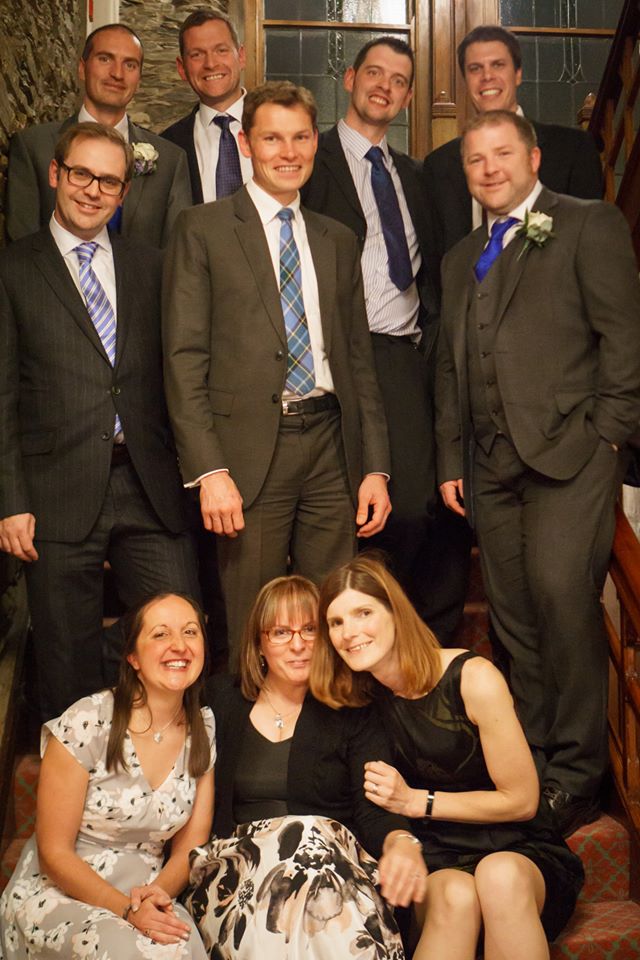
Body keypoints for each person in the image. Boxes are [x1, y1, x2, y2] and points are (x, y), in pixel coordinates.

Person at [434, 110, 640, 835]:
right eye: (475, 159)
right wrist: (450, 458)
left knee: (561, 598)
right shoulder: (461, 258)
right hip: (489, 464)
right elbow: (451, 367)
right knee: (514, 617)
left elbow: (624, 339)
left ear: (533, 158)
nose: (489, 168)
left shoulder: (587, 225)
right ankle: (531, 758)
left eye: (502, 154)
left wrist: (608, 435)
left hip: (570, 458)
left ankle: (578, 773)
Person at [162, 81, 391, 661]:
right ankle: (253, 720)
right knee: (253, 618)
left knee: (334, 615)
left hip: (331, 446)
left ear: (315, 142)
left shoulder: (338, 239)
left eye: (300, 137)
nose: (288, 153)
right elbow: (183, 359)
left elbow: (358, 362)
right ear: (246, 144)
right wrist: (209, 469)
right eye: (272, 139)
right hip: (247, 453)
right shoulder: (203, 229)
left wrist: (375, 466)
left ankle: (325, 718)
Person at [0, 122, 200, 720]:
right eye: (81, 174)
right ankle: (78, 772)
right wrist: (11, 500)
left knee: (178, 633)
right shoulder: (13, 270)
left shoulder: (152, 266)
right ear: (55, 174)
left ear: (124, 193)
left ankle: (163, 758)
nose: (93, 190)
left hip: (149, 484)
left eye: (109, 181)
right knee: (66, 659)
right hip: (55, 492)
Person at [312, 555, 584, 960]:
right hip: (434, 856)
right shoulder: (359, 700)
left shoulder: (472, 677)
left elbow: (523, 801)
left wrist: (417, 801)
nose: (349, 632)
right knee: (456, 894)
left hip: (517, 846)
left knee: (499, 877)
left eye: (363, 613)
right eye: (336, 622)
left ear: (395, 613)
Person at [184, 574, 425, 959]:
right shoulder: (221, 699)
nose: (298, 645)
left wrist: (401, 842)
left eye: (310, 630)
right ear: (259, 643)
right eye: (281, 632)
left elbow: (373, 808)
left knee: (311, 850)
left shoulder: (353, 709)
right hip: (238, 881)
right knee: (302, 839)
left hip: (333, 880)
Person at [302, 38, 453, 639]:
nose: (384, 87)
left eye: (398, 80)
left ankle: (393, 631)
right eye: (374, 73)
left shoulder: (415, 176)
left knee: (413, 506)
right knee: (337, 509)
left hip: (398, 354)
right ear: (350, 79)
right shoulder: (311, 158)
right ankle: (346, 633)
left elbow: (431, 266)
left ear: (409, 96)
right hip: (331, 353)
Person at [0, 592, 215, 959]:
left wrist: (154, 899)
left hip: (148, 892)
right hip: (64, 893)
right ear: (133, 657)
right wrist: (127, 910)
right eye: (161, 634)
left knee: (180, 948)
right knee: (121, 950)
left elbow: (190, 846)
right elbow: (54, 852)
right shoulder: (88, 721)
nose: (179, 645)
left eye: (190, 632)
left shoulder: (203, 727)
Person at [6, 23, 191, 247]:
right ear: (82, 68)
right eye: (105, 59)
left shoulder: (171, 160)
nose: (117, 73)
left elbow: (176, 253)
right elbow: (21, 245)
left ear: (139, 80)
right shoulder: (34, 147)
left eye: (130, 65)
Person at [162, 9, 252, 204]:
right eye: (197, 55)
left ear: (241, 56)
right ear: (181, 68)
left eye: (221, 50)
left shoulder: (283, 129)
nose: (210, 63)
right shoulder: (167, 146)